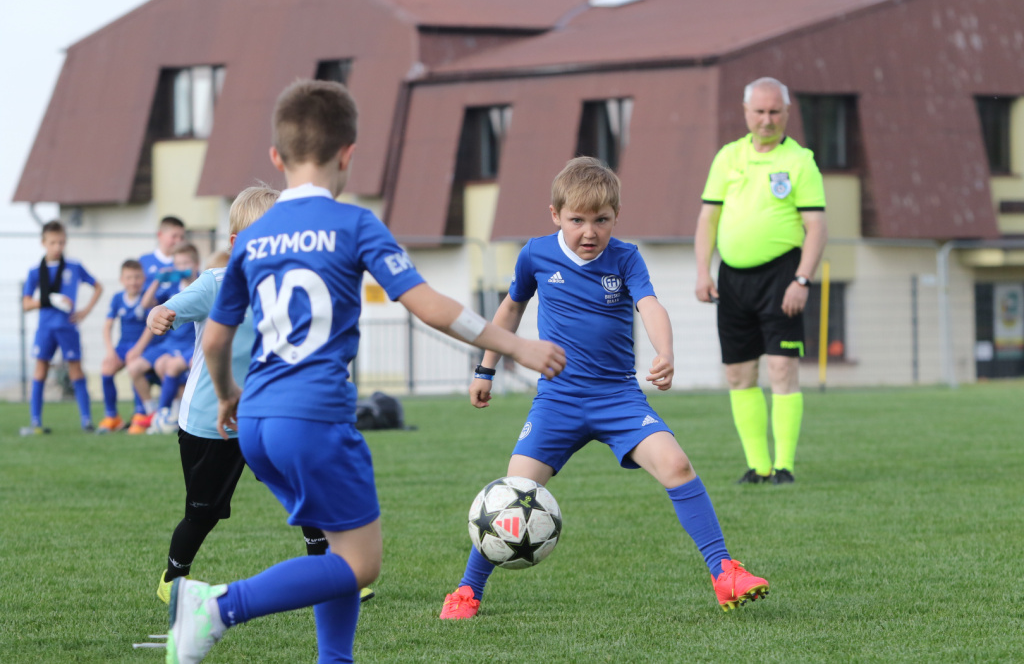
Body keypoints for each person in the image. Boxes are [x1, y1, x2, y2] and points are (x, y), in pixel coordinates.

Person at [164, 79, 565, 664]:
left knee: (338, 549)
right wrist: (515, 346)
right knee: (360, 563)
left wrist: (226, 394)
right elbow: (429, 305)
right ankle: (217, 605)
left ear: (276, 157)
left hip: (255, 422)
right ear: (348, 154)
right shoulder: (354, 225)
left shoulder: (252, 239)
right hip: (314, 417)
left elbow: (218, 337)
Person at [438, 156, 769, 621]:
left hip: (618, 397)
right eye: (577, 220)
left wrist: (665, 352)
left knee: (676, 464)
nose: (589, 232)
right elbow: (510, 309)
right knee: (513, 496)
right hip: (557, 400)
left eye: (602, 220)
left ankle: (725, 573)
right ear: (556, 215)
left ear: (616, 216)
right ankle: (467, 591)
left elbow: (649, 305)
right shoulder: (535, 254)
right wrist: (485, 369)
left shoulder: (626, 258)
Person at [146, 186, 376, 606]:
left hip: (268, 414)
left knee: (307, 491)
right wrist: (159, 314)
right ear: (238, 243)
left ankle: (332, 576)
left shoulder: (289, 288)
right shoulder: (215, 284)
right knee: (203, 512)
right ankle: (173, 579)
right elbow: (166, 309)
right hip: (209, 422)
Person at [694, 76, 828, 485]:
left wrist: (802, 280)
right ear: (746, 112)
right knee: (738, 373)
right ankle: (759, 467)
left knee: (782, 367)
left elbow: (816, 227)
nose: (766, 120)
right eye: (759, 112)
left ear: (786, 113)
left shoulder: (800, 161)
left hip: (782, 275)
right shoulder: (728, 157)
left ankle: (784, 467)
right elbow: (708, 219)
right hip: (732, 279)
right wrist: (702, 270)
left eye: (774, 112)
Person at [20, 220, 103, 435]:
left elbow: (98, 286)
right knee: (40, 371)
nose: (58, 247)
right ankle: (36, 422)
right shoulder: (35, 271)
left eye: (62, 242)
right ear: (43, 243)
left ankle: (87, 421)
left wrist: (84, 311)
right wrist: (49, 300)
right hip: (45, 329)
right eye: (53, 242)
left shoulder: (74, 266)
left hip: (68, 328)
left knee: (76, 371)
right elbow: (26, 304)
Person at [126, 244, 199, 434]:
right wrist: (158, 280)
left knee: (164, 366)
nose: (182, 268)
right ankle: (152, 413)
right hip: (169, 344)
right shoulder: (172, 287)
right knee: (134, 368)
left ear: (196, 264)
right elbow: (146, 304)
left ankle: (168, 414)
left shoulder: (202, 286)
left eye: (186, 263)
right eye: (178, 264)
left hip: (190, 344)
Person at [96, 259, 147, 433]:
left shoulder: (148, 298)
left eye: (137, 277)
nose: (133, 282)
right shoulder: (117, 298)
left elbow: (150, 328)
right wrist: (110, 351)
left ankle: (140, 414)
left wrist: (138, 349)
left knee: (135, 367)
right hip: (123, 346)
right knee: (106, 369)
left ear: (143, 278)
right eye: (129, 278)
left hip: (143, 347)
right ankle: (112, 416)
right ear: (122, 280)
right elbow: (107, 327)